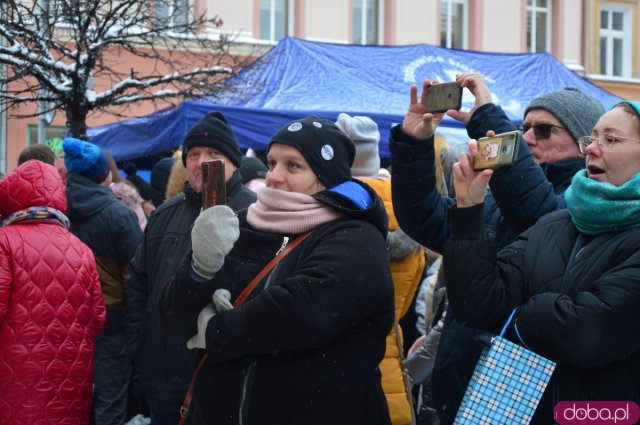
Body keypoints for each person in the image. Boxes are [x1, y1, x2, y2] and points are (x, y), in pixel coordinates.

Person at [389, 74, 605, 424]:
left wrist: (488, 116)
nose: (529, 138)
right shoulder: (498, 195)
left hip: (528, 386)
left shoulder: (586, 203)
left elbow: (538, 216)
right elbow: (424, 219)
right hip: (466, 376)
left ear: (585, 143)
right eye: (524, 128)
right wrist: (415, 142)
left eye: (545, 131)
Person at [158, 115, 395, 424]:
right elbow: (173, 320)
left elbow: (300, 311)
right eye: (271, 163)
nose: (274, 177)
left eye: (293, 165)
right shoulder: (243, 223)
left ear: (326, 175)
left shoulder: (355, 236)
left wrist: (216, 331)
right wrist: (198, 269)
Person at [442, 100, 640, 423]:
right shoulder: (556, 223)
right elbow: (477, 304)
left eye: (611, 139)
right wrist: (468, 211)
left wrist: (523, 317)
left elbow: (589, 332)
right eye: (591, 139)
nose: (591, 148)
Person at [127, 112, 256, 425]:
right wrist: (139, 352)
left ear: (234, 162)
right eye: (194, 155)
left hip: (223, 383)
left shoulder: (255, 213)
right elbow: (138, 287)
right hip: (163, 384)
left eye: (214, 155)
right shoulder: (164, 215)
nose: (202, 162)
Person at [0, 160, 106, 424]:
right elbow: (98, 319)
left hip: (15, 388)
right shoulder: (82, 250)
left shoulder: (5, 242)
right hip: (71, 385)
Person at [336, 112, 424, 425]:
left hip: (334, 363)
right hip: (388, 354)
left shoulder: (331, 208)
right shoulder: (408, 211)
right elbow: (411, 293)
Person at [63, 137, 143, 425]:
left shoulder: (57, 211)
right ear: (103, 174)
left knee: (71, 399)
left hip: (66, 318)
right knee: (110, 400)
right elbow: (136, 274)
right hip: (113, 319)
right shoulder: (119, 215)